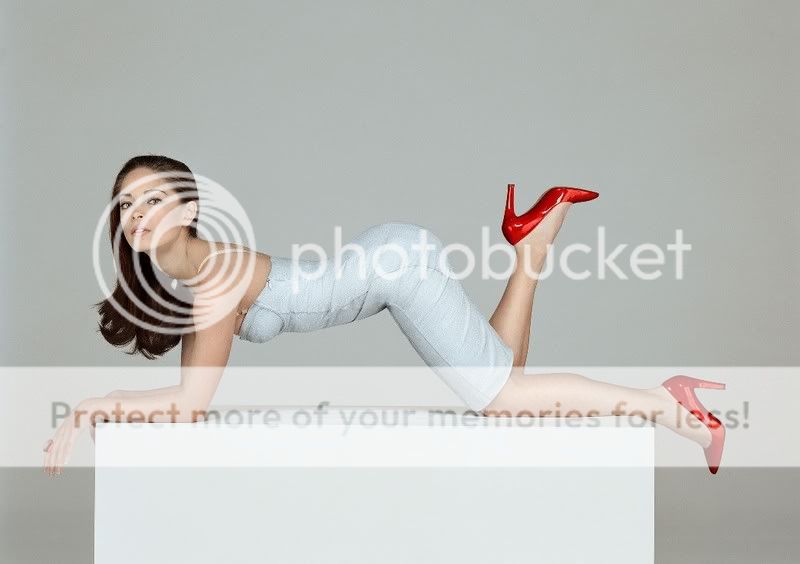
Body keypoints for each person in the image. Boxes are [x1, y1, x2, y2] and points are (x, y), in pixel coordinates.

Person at [42, 155, 725, 476]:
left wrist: (96, 406)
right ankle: (532, 245)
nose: (136, 215)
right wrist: (111, 407)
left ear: (189, 209)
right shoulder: (197, 275)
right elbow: (190, 401)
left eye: (153, 200)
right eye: (126, 204)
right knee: (505, 377)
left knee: (503, 399)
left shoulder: (211, 277)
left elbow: (190, 406)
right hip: (389, 259)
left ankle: (667, 406)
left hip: (393, 268)